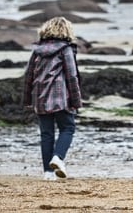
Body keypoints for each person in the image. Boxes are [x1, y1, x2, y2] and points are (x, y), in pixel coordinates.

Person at [23, 16, 83, 181]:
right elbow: (72, 76)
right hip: (61, 98)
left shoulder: (37, 51)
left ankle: (47, 173)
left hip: (40, 98)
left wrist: (27, 100)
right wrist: (77, 101)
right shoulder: (66, 49)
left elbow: (28, 75)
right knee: (68, 128)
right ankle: (58, 157)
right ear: (67, 31)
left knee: (46, 134)